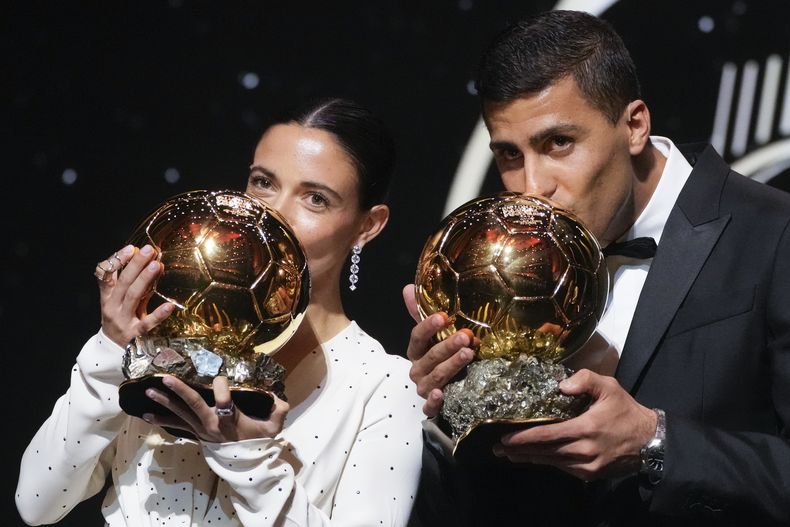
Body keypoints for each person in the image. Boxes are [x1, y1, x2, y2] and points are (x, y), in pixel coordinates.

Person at [405, 10, 790, 526]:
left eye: (557, 143)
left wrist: (656, 443)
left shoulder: (773, 233)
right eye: (509, 155)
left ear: (634, 125)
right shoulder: (499, 265)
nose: (531, 186)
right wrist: (442, 409)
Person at [16, 98, 425, 526]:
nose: (273, 213)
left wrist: (249, 460)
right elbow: (37, 503)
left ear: (368, 225)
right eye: (263, 183)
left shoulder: (381, 386)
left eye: (316, 199)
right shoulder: (165, 331)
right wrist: (108, 350)